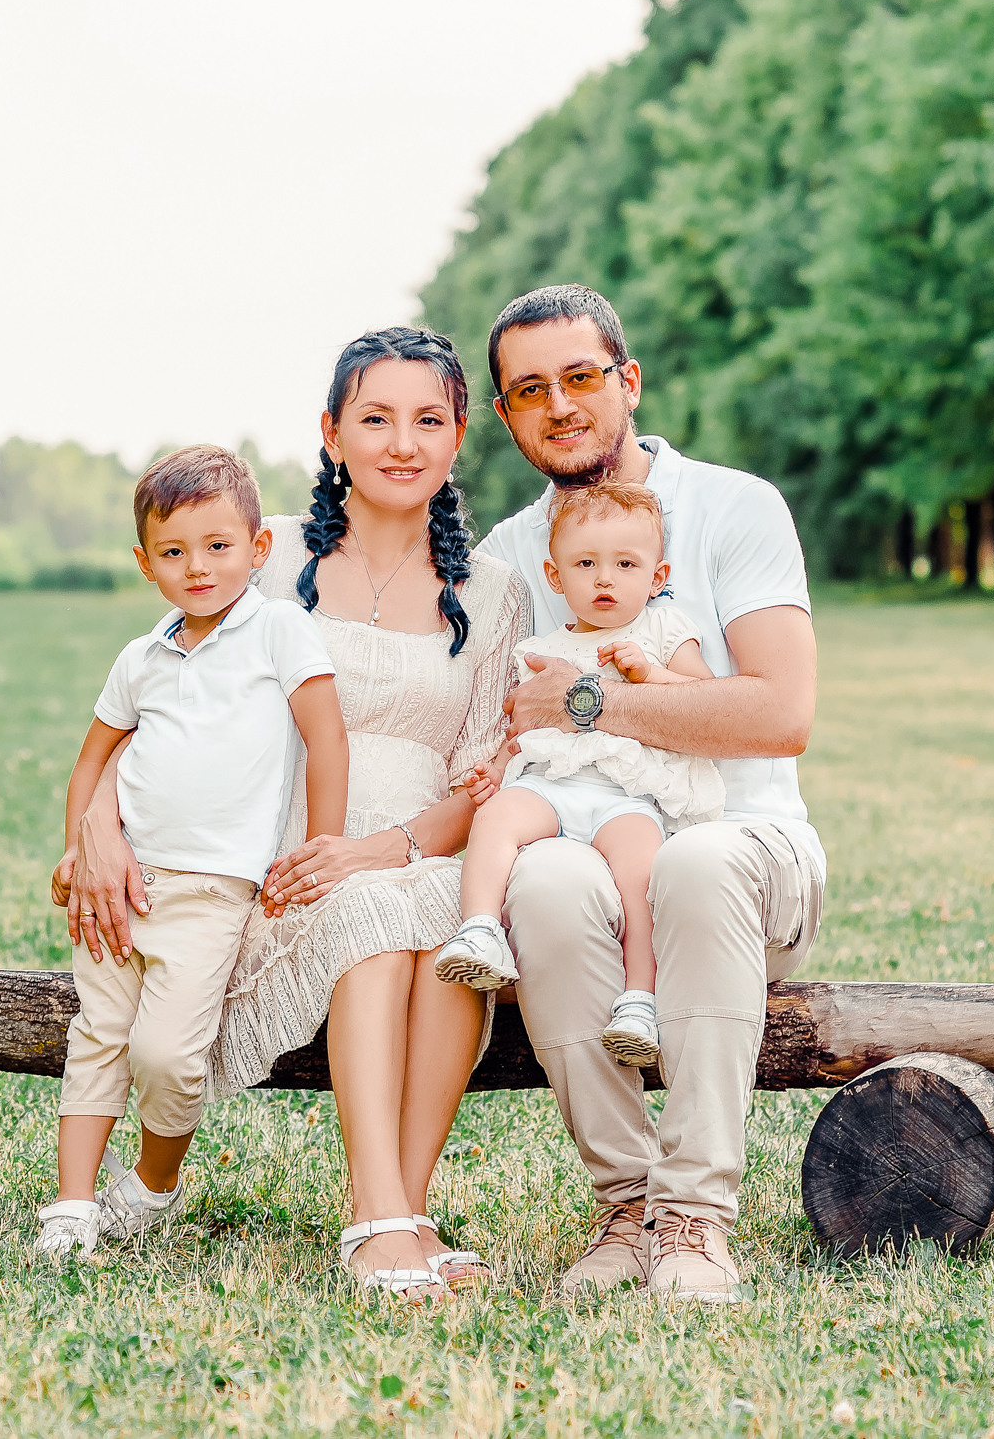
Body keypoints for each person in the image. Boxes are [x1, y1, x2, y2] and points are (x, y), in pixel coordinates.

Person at [62, 328, 528, 1299]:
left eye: (428, 419)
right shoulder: (266, 561)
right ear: (330, 432)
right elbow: (155, 697)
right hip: (281, 856)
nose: (402, 442)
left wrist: (384, 845)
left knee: (438, 907)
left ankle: (403, 1209)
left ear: (458, 435)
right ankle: (376, 1215)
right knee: (365, 909)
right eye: (375, 418)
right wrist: (95, 825)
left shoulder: (493, 593)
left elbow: (482, 780)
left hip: (417, 842)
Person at [474, 284, 823, 1305]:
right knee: (539, 878)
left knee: (693, 856)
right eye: (528, 389)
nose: (560, 404)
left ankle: (697, 1218)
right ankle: (626, 1207)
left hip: (746, 854)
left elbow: (778, 712)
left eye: (580, 376)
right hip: (587, 866)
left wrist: (588, 699)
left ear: (627, 380)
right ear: (506, 415)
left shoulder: (735, 505)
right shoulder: (508, 559)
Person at [37, 446, 348, 1260]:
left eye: (217, 546)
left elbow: (326, 740)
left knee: (168, 1053)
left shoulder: (280, 630)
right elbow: (93, 760)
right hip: (123, 884)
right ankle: (70, 1204)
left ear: (259, 547)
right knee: (99, 1033)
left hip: (213, 893)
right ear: (146, 563)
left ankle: (151, 1181)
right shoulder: (139, 658)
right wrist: (82, 847)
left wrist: (325, 845)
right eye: (173, 552)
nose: (197, 566)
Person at [432, 479, 722, 1072]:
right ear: (556, 576)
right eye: (585, 564)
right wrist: (494, 765)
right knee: (497, 819)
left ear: (658, 576)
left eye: (625, 564)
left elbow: (706, 699)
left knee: (643, 878)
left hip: (627, 795)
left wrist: (650, 677)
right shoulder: (542, 647)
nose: (605, 579)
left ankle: (640, 999)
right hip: (552, 785)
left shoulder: (664, 633)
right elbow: (522, 728)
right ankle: (481, 928)